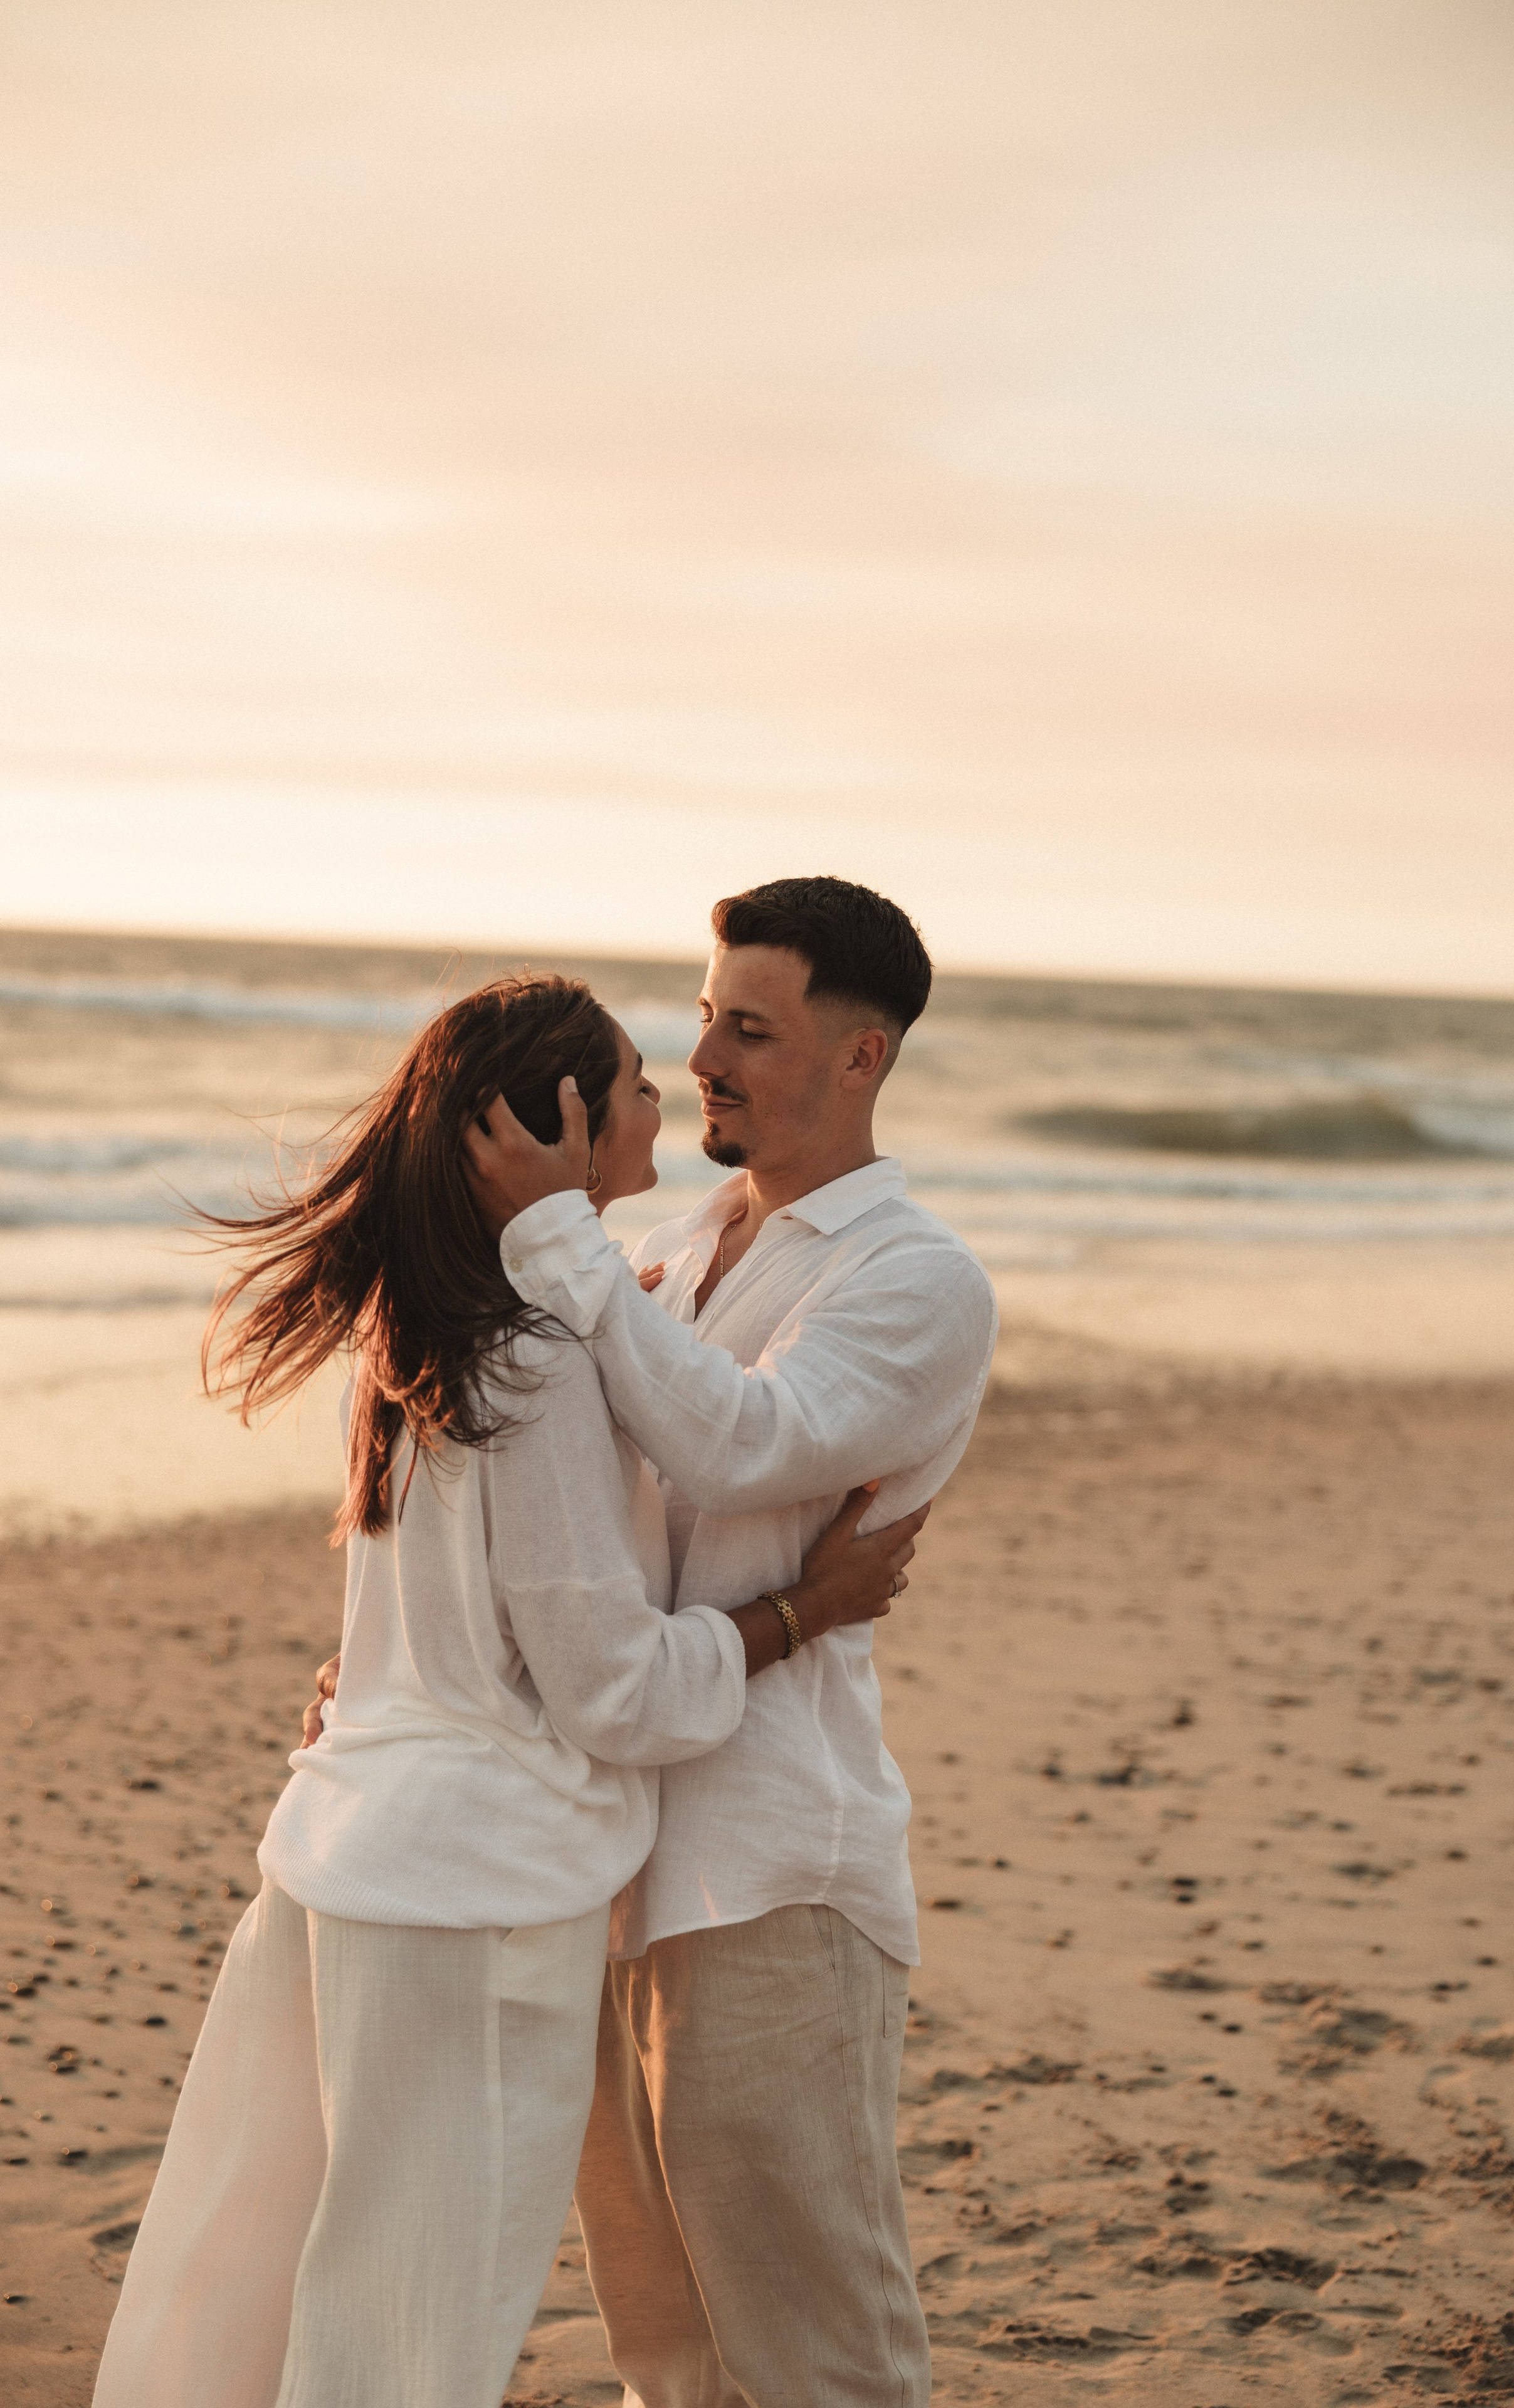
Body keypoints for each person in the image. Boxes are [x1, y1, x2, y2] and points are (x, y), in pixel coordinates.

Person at [92, 972, 925, 2408]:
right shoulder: (538, 1358)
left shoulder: (427, 1328)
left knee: (245, 2266)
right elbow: (609, 1690)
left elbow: (447, 1618)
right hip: (467, 1889)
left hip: (343, 1852)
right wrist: (800, 1610)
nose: (669, 1085)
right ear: (558, 1124)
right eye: (629, 1080)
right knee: (410, 2324)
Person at [462, 877, 997, 2408]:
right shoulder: (671, 1252)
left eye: (748, 1030)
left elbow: (744, 1449)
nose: (703, 1056)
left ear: (860, 1057)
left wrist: (561, 1241)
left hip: (771, 1865)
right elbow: (577, 1531)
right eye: (702, 1019)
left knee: (815, 2345)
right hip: (612, 1852)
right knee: (669, 2346)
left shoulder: (912, 1278)